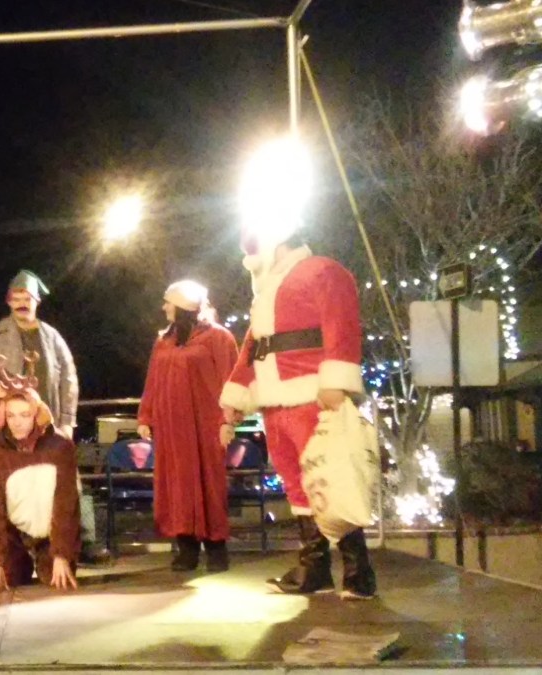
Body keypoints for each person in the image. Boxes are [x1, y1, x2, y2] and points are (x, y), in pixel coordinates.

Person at [219, 147, 376, 599]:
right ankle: (315, 570)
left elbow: (341, 327)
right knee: (296, 483)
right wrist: (234, 400)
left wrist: (335, 382)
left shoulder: (322, 271)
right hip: (275, 402)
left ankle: (358, 572)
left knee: (329, 478)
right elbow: (253, 347)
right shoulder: (267, 292)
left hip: (310, 395)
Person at [0, 269, 111, 566]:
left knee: (69, 482)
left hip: (48, 426)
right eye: (16, 298)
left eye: (27, 298)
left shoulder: (52, 337)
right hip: (14, 427)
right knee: (14, 487)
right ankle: (16, 550)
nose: (22, 303)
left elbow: (69, 380)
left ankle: (84, 541)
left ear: (37, 301)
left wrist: (66, 422)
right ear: (8, 301)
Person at [136, 280, 239, 572]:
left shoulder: (218, 337)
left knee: (209, 484)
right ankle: (187, 548)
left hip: (205, 424)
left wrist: (228, 420)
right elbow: (153, 381)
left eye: (169, 302)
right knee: (176, 485)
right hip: (171, 426)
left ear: (183, 305)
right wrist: (146, 416)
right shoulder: (163, 341)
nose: (164, 307)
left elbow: (231, 380)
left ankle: (216, 549)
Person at [0, 378, 80, 593]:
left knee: (54, 576)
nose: (17, 422)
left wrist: (62, 554)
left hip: (50, 533)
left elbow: (67, 504)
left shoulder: (60, 447)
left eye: (24, 415)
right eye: (11, 415)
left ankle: (49, 555)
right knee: (10, 575)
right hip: (14, 533)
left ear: (36, 415)